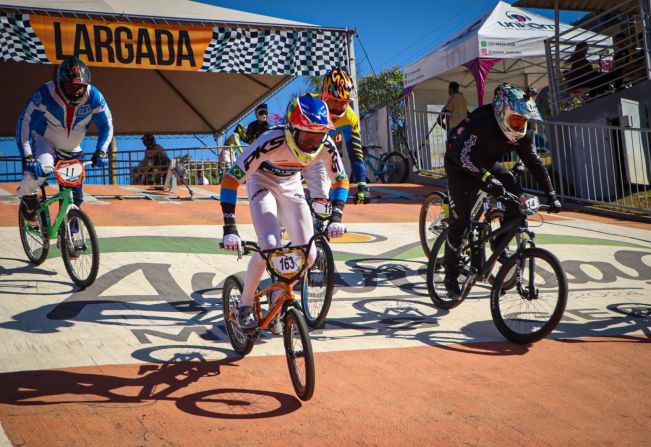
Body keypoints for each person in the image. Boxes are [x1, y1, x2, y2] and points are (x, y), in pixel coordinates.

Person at [220, 95, 349, 330]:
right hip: (261, 181)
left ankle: (277, 293)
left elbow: (341, 180)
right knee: (269, 243)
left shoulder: (326, 144)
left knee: (308, 255)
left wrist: (336, 216)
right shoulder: (269, 140)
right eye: (307, 136)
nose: (313, 144)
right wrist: (230, 228)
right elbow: (230, 180)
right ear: (291, 130)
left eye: (318, 137)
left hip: (291, 184)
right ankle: (245, 305)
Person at [442, 83, 562, 299]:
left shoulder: (522, 134)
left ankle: (499, 241)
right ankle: (450, 275)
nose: (520, 125)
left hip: (486, 164)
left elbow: (534, 162)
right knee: (460, 222)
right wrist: (487, 179)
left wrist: (552, 194)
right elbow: (463, 157)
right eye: (516, 119)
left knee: (516, 195)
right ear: (503, 112)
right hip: (459, 163)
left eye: (524, 120)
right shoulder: (484, 121)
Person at [16, 56, 112, 226]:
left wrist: (102, 151)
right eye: (71, 86)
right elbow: (24, 123)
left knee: (75, 197)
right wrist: (28, 155)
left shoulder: (94, 96)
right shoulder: (45, 94)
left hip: (72, 149)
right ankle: (27, 195)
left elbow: (107, 126)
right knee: (42, 168)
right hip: (46, 141)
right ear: (60, 83)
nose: (76, 91)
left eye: (80, 87)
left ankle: (69, 239)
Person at [313, 67, 370, 204]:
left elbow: (355, 153)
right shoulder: (310, 106)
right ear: (323, 96)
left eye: (344, 102)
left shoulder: (351, 118)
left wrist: (362, 185)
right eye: (335, 101)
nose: (339, 107)